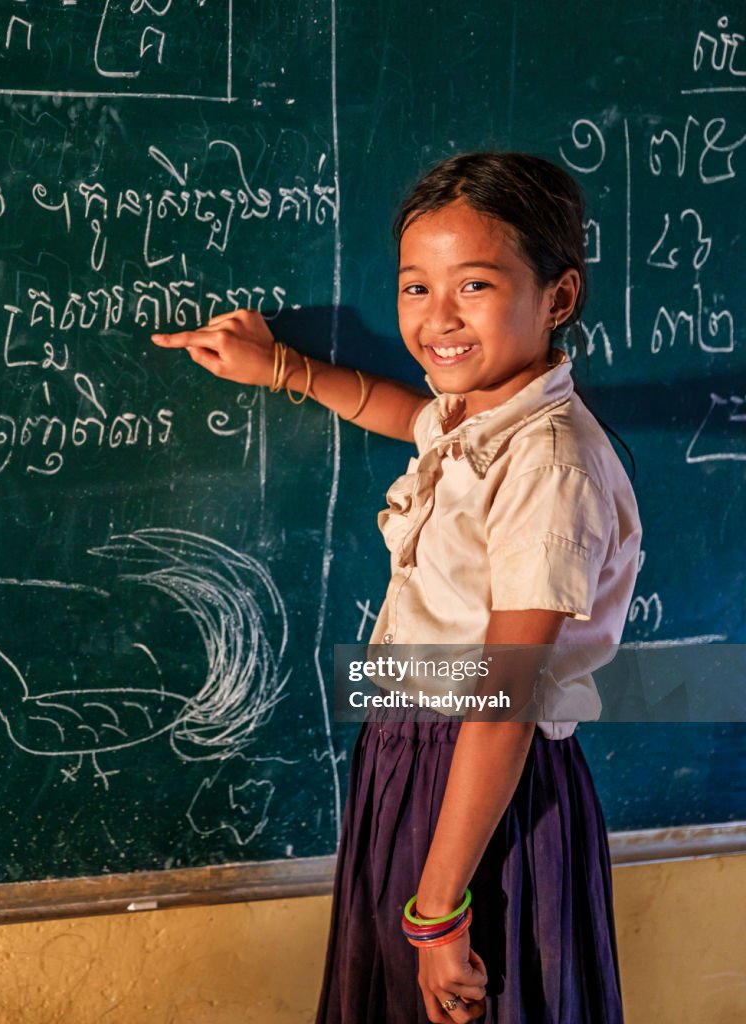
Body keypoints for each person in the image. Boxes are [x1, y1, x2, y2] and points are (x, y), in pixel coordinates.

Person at [151, 151, 641, 1024]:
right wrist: (280, 368)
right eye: (416, 288)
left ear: (558, 298)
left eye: (475, 286)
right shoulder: (478, 417)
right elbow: (398, 409)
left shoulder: (548, 464)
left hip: (480, 790)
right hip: (414, 760)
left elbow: (505, 700)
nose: (437, 319)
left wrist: (439, 912)